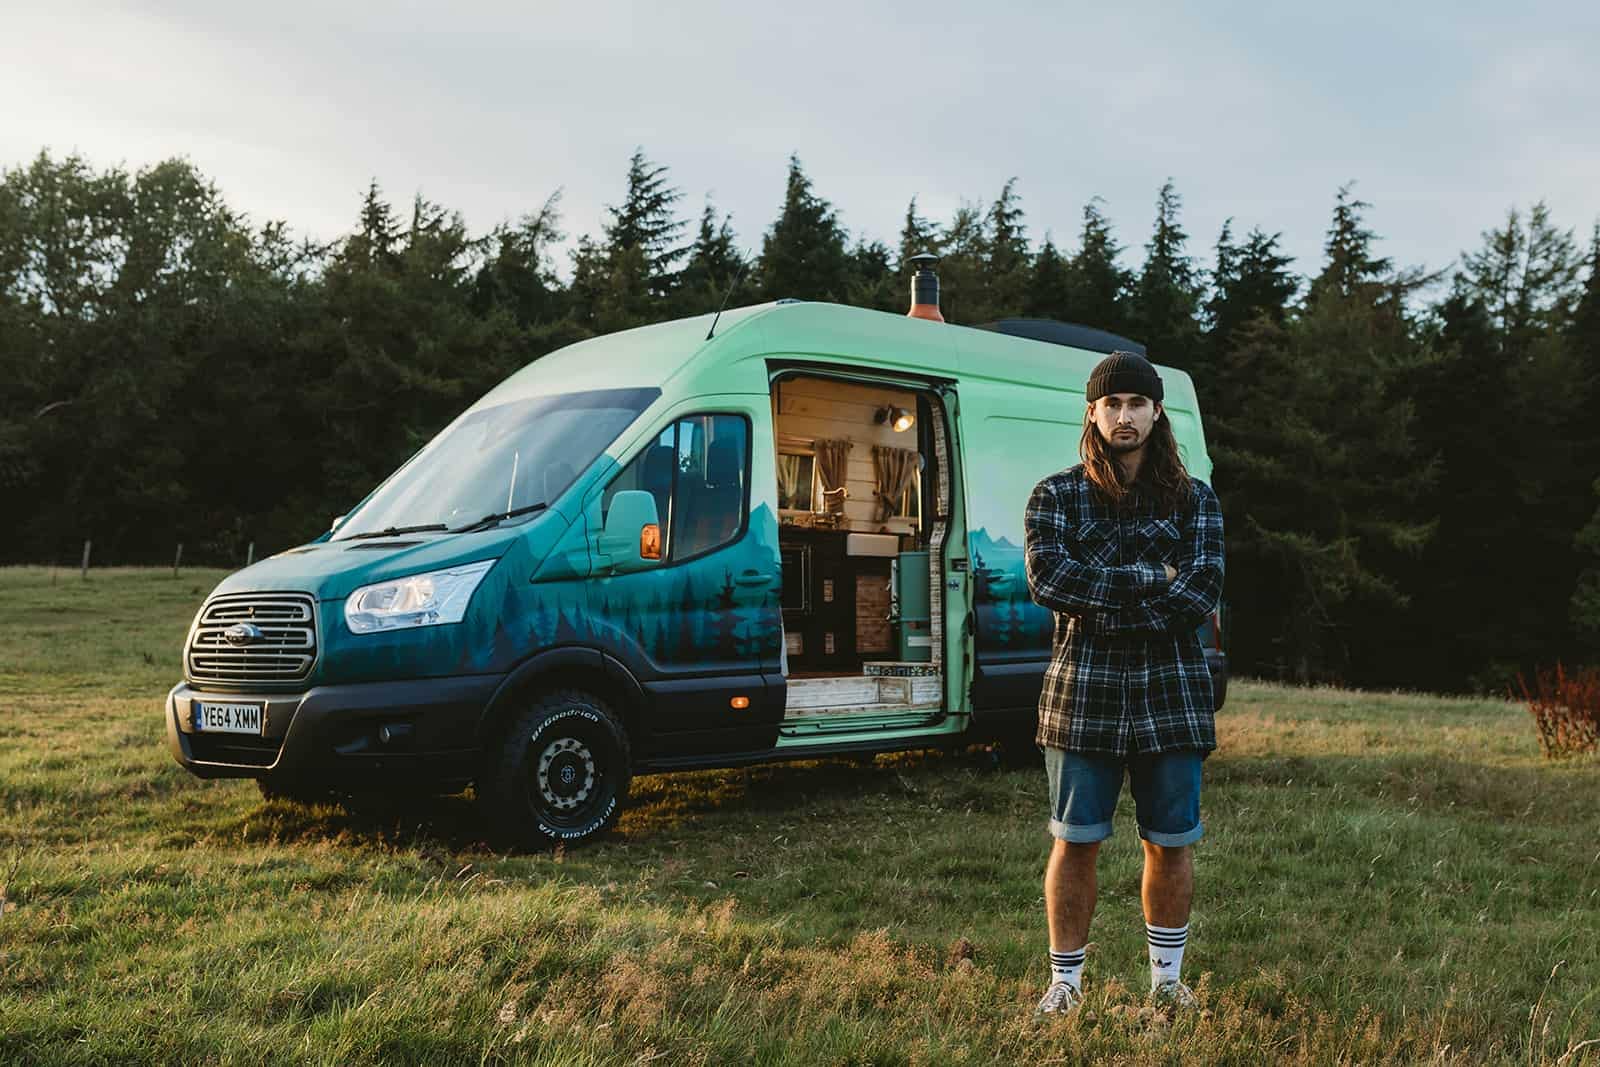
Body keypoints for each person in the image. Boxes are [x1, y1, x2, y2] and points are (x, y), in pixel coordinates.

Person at [1023, 350, 1225, 1016]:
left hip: (1172, 693)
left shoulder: (1196, 500)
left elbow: (1199, 591)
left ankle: (1166, 980)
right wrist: (1150, 580)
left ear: (1156, 410)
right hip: (1084, 692)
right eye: (1111, 403)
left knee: (1169, 843)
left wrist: (1105, 595)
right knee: (1075, 837)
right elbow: (1050, 580)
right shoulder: (1055, 494)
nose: (1123, 415)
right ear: (1093, 411)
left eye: (1136, 402)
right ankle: (1066, 984)